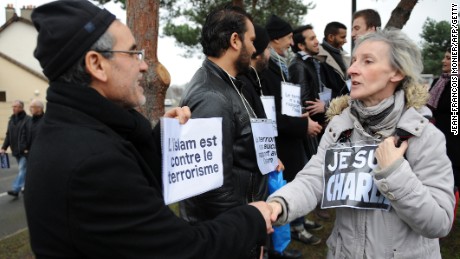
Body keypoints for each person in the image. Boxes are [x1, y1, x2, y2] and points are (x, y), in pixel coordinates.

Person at [24, 1, 273, 258]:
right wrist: (251, 219)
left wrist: (162, 139)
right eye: (133, 53)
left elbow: (133, 187)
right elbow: (181, 250)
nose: (144, 66)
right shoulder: (93, 164)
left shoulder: (84, 131)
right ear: (97, 64)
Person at [268, 29, 455, 258]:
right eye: (354, 60)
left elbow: (439, 223)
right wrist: (277, 205)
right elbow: (314, 179)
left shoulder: (423, 135)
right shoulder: (339, 127)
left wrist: (395, 173)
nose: (352, 69)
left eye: (367, 61)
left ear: (396, 72)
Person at [237, 24, 301, 259]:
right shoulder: (245, 83)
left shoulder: (254, 80)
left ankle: (274, 250)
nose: (258, 50)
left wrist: (270, 155)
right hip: (252, 176)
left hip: (266, 163)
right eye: (256, 44)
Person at [261, 15, 323, 248]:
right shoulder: (267, 70)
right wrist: (301, 125)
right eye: (288, 37)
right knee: (287, 185)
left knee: (296, 180)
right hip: (282, 142)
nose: (291, 42)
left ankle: (295, 225)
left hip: (291, 137)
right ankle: (286, 235)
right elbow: (271, 115)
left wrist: (299, 117)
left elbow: (285, 105)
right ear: (275, 39)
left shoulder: (281, 66)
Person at [428, 47, 459, 189]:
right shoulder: (437, 82)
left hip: (454, 141)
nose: (443, 61)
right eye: (444, 57)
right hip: (436, 137)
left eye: (448, 58)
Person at [1, 99, 30, 197]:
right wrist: (4, 147)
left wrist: (27, 148)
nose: (13, 108)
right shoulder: (11, 120)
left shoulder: (28, 120)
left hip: (25, 151)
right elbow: (8, 135)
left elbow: (31, 135)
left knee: (22, 169)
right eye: (12, 106)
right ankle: (26, 186)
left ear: (21, 107)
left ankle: (16, 189)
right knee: (24, 170)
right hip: (16, 150)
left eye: (15, 106)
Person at [318, 21, 350, 98]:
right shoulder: (318, 58)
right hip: (330, 106)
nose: (345, 41)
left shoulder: (344, 56)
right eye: (342, 37)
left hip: (344, 103)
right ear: (331, 37)